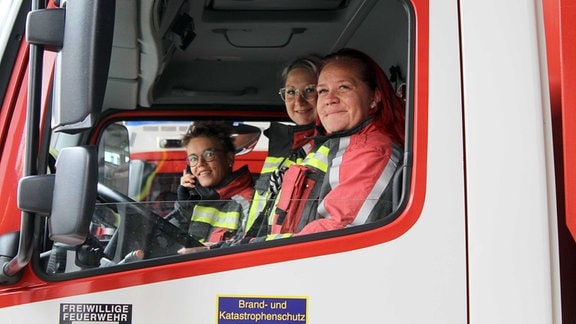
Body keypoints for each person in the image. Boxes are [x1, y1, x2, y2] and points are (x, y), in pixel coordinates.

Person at [263, 48, 405, 238]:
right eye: (322, 90)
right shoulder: (342, 147)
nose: (330, 99)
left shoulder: (372, 150)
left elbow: (335, 231)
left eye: (343, 87)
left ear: (374, 97)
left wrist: (252, 248)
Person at [226, 55, 322, 243]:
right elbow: (260, 216)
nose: (299, 101)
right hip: (258, 251)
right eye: (291, 92)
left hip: (288, 256)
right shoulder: (282, 149)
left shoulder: (331, 147)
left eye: (309, 90)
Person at [165, 122, 254, 249]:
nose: (200, 164)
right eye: (193, 159)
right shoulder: (194, 199)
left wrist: (209, 249)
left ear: (229, 159)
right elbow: (165, 242)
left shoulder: (248, 201)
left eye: (209, 155)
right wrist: (184, 206)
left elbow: (248, 248)